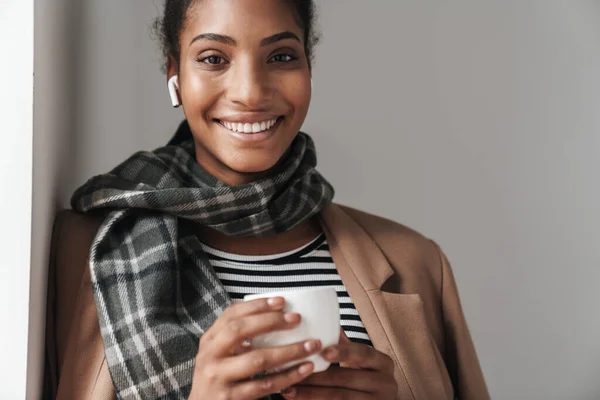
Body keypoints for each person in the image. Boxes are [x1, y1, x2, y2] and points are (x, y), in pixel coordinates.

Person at [46, 0, 490, 399]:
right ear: (174, 74)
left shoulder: (417, 263)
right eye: (213, 58)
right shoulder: (88, 253)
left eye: (280, 56)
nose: (251, 92)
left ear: (308, 69)